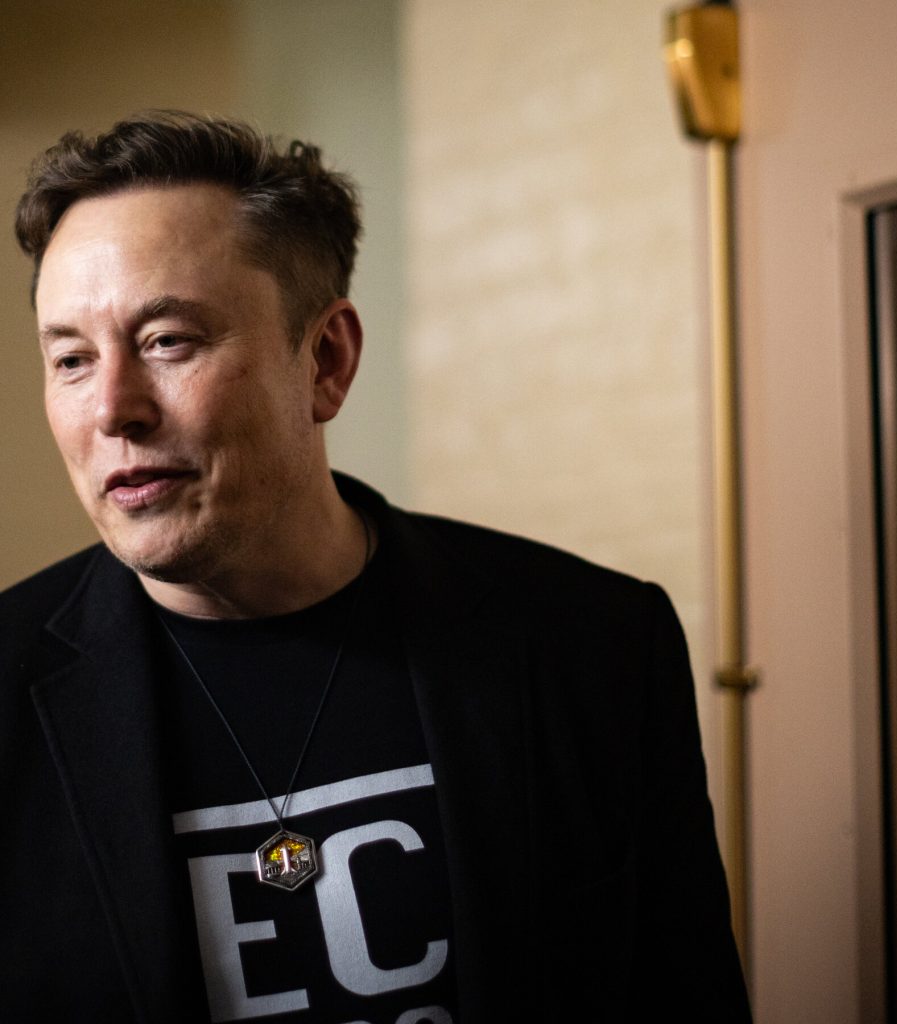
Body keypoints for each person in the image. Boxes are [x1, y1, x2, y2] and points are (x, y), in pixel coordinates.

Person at [1, 111, 750, 1024]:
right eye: (71, 359)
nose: (112, 408)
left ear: (326, 359)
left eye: (168, 341)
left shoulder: (592, 646)